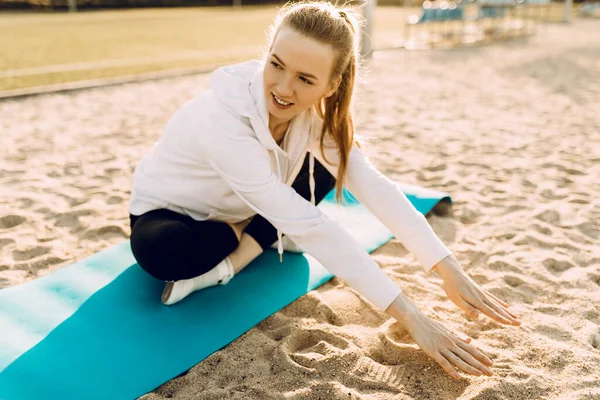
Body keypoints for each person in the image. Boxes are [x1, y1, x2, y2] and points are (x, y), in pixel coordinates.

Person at [128, 0, 520, 380]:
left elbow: (377, 190)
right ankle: (246, 242)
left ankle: (241, 249)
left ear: (332, 84)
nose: (282, 88)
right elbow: (314, 227)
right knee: (163, 253)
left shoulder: (316, 117)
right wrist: (413, 319)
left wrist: (449, 269)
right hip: (171, 213)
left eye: (305, 79)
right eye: (276, 65)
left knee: (334, 169)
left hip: (254, 203)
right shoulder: (224, 121)